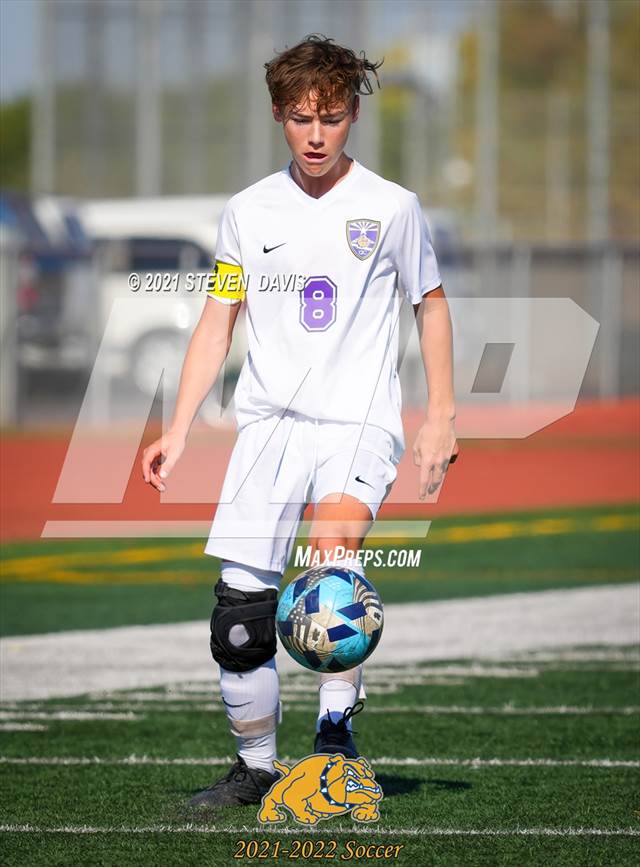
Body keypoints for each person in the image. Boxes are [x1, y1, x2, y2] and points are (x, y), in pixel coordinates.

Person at [142, 34, 459, 809]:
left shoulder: (392, 207)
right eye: (299, 117)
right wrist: (179, 425)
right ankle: (255, 766)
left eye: (332, 116)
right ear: (279, 115)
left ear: (354, 114)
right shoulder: (248, 211)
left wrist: (441, 417)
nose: (316, 134)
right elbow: (219, 318)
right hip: (268, 430)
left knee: (331, 571)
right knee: (240, 619)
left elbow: (432, 303)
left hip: (357, 422)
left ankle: (334, 741)